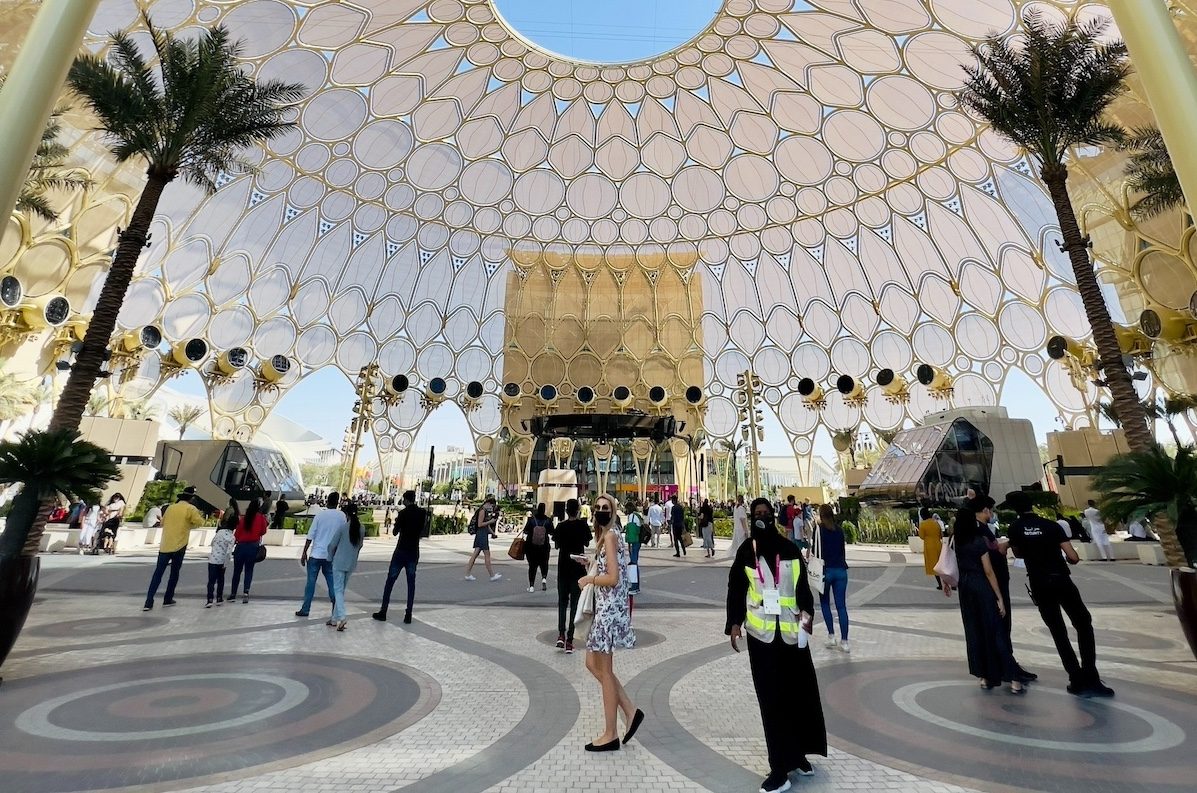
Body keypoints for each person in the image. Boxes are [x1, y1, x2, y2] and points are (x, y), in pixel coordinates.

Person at [727, 498, 827, 792]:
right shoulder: (747, 551)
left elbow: (802, 589)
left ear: (773, 516)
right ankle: (779, 768)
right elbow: (736, 587)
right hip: (763, 640)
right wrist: (734, 622)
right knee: (772, 701)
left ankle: (797, 755)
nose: (761, 519)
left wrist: (807, 617)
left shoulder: (789, 549)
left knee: (799, 695)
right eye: (756, 515)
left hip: (792, 637)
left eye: (765, 514)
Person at [1006, 491, 1114, 698]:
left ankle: (1075, 677)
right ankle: (1091, 674)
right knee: (1083, 623)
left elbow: (1018, 553)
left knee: (1057, 630)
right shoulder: (1051, 526)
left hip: (1039, 583)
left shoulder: (1015, 528)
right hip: (1061, 580)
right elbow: (1072, 556)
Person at [579, 493, 642, 752]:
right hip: (607, 608)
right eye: (598, 507)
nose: (601, 510)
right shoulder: (604, 537)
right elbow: (610, 570)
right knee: (592, 663)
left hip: (609, 611)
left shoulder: (611, 536)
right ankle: (629, 709)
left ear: (613, 511)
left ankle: (610, 733)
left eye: (606, 507)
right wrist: (592, 565)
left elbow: (614, 578)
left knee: (603, 670)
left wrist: (589, 580)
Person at [951, 496, 1024, 693]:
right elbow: (989, 571)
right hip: (981, 585)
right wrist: (999, 597)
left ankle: (984, 676)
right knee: (995, 630)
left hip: (965, 587)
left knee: (974, 631)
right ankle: (1013, 677)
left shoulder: (956, 541)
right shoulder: (977, 541)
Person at [143, 486, 204, 611]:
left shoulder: (171, 507)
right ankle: (167, 598)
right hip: (179, 545)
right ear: (192, 498)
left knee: (157, 574)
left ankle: (149, 601)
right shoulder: (191, 509)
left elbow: (162, 523)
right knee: (174, 574)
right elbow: (200, 522)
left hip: (165, 545)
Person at [374, 490, 426, 623]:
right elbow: (422, 532)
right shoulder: (421, 513)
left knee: (390, 581)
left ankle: (383, 611)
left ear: (406, 500)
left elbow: (395, 532)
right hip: (413, 551)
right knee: (411, 583)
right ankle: (408, 614)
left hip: (401, 550)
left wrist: (398, 522)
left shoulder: (403, 514)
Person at [551, 497, 591, 653]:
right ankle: (569, 639)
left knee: (562, 602)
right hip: (578, 569)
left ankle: (560, 634)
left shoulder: (561, 526)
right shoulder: (582, 525)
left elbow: (557, 545)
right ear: (578, 510)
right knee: (575, 603)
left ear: (566, 510)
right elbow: (587, 543)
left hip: (563, 568)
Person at [296, 491, 345, 617]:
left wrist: (304, 552)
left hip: (316, 554)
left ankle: (305, 609)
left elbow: (310, 535)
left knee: (310, 583)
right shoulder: (341, 516)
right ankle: (336, 609)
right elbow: (343, 535)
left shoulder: (320, 515)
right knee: (332, 583)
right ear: (337, 502)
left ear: (327, 501)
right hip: (331, 555)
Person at [816, 504, 850, 652]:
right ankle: (845, 641)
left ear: (821, 516)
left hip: (825, 572)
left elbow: (815, 552)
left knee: (825, 604)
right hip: (841, 570)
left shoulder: (819, 531)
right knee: (841, 606)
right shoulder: (840, 530)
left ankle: (831, 636)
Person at [327, 501, 364, 631]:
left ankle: (342, 617)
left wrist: (330, 557)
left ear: (346, 514)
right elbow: (360, 546)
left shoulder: (343, 527)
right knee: (341, 591)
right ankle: (334, 618)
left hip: (338, 562)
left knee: (338, 590)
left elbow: (332, 545)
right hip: (351, 563)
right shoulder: (362, 528)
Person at [230, 495, 268, 603]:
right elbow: (263, 531)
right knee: (249, 570)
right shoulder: (261, 518)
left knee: (237, 571)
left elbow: (237, 534)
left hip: (241, 547)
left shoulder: (244, 518)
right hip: (253, 547)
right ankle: (246, 592)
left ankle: (233, 593)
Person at [465, 495, 502, 581]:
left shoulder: (485, 511)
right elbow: (480, 524)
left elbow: (487, 525)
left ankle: (468, 574)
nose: (492, 508)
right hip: (481, 535)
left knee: (475, 554)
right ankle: (492, 575)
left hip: (482, 534)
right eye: (492, 506)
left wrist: (493, 533)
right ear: (489, 504)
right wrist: (491, 521)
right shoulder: (482, 511)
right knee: (486, 554)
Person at [523, 503, 554, 592]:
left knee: (532, 566)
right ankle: (544, 578)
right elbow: (552, 532)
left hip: (531, 547)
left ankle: (532, 586)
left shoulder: (532, 520)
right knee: (544, 563)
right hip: (544, 546)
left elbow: (525, 531)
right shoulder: (548, 520)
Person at [207, 513, 235, 608]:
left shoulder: (219, 532)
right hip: (222, 561)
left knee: (211, 581)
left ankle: (209, 599)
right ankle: (219, 598)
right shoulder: (232, 537)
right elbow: (228, 552)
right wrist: (226, 563)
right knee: (220, 580)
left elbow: (212, 543)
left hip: (212, 559)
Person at [918, 506, 944, 589]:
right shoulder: (936, 522)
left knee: (935, 566)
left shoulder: (923, 524)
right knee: (941, 565)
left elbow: (921, 536)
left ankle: (940, 584)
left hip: (929, 546)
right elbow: (941, 535)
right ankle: (948, 582)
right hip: (938, 544)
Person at [625, 501, 643, 594]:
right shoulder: (637, 515)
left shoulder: (631, 517)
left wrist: (629, 543)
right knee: (634, 563)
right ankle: (636, 585)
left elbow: (631, 532)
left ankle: (634, 586)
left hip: (633, 542)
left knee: (633, 564)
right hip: (637, 541)